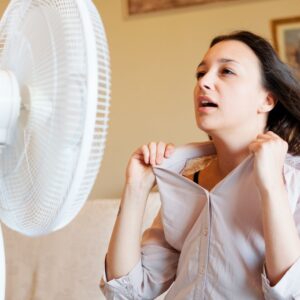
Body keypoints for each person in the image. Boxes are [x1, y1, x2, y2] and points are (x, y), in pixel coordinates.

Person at [100, 31, 300, 299]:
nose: (204, 82)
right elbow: (128, 293)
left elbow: (291, 293)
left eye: (227, 71)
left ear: (267, 99)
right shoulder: (185, 181)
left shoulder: (293, 180)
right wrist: (136, 189)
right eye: (200, 73)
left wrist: (271, 186)